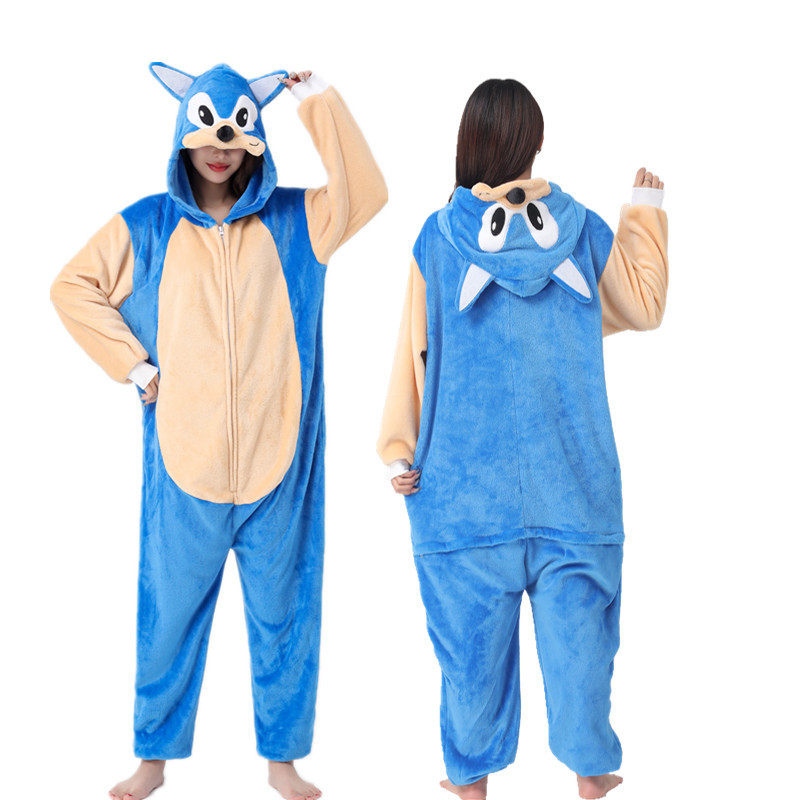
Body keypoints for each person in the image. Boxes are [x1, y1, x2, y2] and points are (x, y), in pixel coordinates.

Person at [51, 63, 386, 800]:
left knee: (287, 621)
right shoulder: (148, 224)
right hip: (185, 465)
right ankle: (152, 759)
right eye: (207, 134)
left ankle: (283, 763)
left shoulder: (300, 221)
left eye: (235, 135)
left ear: (255, 140)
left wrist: (316, 102)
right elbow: (70, 287)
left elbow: (367, 192)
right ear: (184, 135)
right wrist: (135, 367)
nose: (219, 149)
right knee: (168, 619)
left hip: (280, 465)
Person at [377, 78, 667, 800]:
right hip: (575, 488)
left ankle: (471, 786)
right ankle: (592, 779)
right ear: (534, 142)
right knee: (583, 661)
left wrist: (399, 448)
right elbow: (643, 305)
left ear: (469, 142)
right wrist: (644, 213)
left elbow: (414, 350)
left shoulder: (439, 239)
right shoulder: (581, 229)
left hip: (462, 500)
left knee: (469, 670)